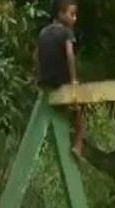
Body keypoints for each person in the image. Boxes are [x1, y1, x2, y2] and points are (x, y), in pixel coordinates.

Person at [36, 0, 85, 157]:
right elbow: (70, 55)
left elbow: (35, 57)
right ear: (61, 14)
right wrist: (74, 80)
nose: (75, 18)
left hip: (45, 81)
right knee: (80, 105)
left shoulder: (43, 32)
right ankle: (78, 143)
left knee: (61, 108)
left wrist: (38, 77)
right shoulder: (67, 32)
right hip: (59, 82)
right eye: (72, 14)